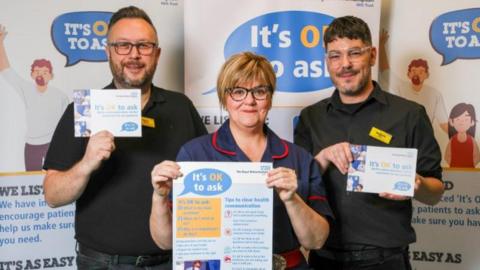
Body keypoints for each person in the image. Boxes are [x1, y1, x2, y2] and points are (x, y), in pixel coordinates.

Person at [43, 6, 207, 270]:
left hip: (170, 261)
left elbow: (207, 178)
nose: (134, 54)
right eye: (123, 45)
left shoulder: (181, 107)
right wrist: (86, 163)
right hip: (101, 263)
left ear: (157, 53)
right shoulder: (83, 110)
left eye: (144, 46)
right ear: (108, 51)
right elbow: (52, 195)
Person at [150, 52, 332, 269]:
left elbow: (316, 241)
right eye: (238, 91)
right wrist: (159, 196)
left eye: (260, 91)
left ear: (270, 98)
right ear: (224, 98)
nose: (249, 100)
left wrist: (292, 200)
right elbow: (165, 242)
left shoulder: (298, 157)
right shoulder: (194, 154)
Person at [294, 16, 444, 269]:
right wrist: (323, 157)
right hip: (324, 258)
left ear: (373, 55)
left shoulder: (409, 115)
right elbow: (299, 188)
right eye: (335, 56)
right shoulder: (311, 118)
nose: (345, 64)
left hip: (386, 260)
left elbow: (435, 192)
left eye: (354, 53)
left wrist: (416, 184)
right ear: (327, 62)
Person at [0, 25, 69, 171]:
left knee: (55, 181)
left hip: (53, 144)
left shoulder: (60, 96)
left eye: (45, 72)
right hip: (31, 146)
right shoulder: (26, 89)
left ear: (51, 76)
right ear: (32, 74)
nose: (40, 74)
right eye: (37, 71)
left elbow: (67, 125)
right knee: (31, 180)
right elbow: (6, 70)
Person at [378, 29, 448, 133]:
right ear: (408, 74)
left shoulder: (435, 94)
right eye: (413, 71)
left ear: (427, 75)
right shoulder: (400, 86)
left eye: (421, 72)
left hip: (423, 137)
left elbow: (444, 124)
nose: (416, 74)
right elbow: (385, 71)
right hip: (402, 134)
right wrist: (381, 45)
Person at [444, 103, 480, 168]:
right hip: (454, 171)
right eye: (458, 119)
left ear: (472, 122)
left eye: (466, 120)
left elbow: (477, 157)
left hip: (470, 172)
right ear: (452, 122)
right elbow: (447, 156)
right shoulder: (452, 140)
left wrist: (470, 165)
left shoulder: (472, 141)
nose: (461, 123)